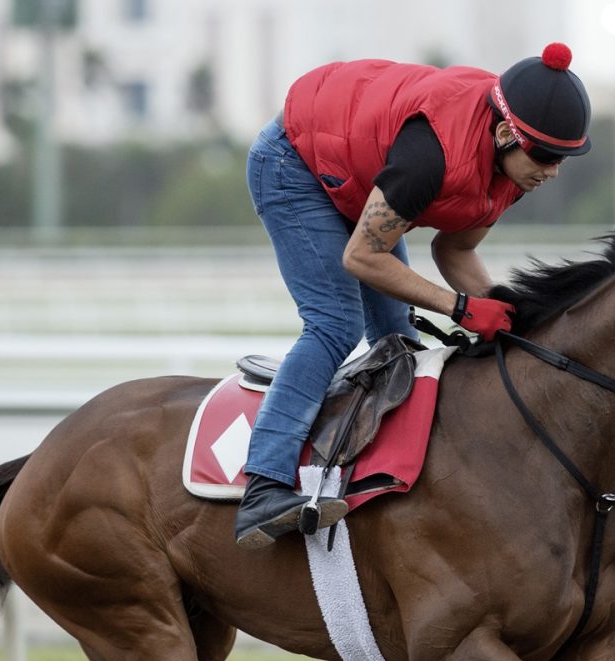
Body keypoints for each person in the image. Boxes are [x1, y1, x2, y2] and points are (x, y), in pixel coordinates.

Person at [235, 42, 593, 548]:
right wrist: (462, 308)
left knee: (397, 343)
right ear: (505, 132)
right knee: (335, 324)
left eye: (563, 159)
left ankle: (383, 487)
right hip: (295, 159)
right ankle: (264, 487)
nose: (553, 171)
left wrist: (506, 314)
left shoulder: (515, 168)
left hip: (361, 170)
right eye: (547, 157)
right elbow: (362, 257)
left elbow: (456, 250)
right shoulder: (430, 156)